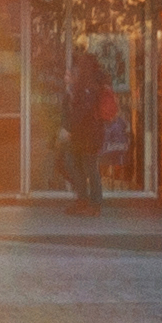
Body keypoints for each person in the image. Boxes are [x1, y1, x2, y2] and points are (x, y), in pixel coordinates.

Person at [58, 40, 113, 213]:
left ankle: (94, 203)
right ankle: (84, 199)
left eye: (70, 73)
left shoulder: (87, 87)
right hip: (83, 135)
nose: (67, 75)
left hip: (89, 135)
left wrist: (69, 129)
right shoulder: (80, 87)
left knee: (88, 167)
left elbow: (83, 111)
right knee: (74, 163)